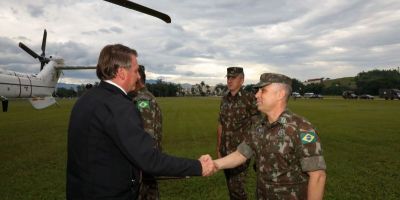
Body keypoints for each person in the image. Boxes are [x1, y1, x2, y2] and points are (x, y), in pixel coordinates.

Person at [67, 44, 215, 200]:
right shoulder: (120, 106)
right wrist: (198, 166)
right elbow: (149, 160)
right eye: (136, 70)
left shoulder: (85, 99)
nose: (138, 76)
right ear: (121, 72)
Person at [214, 73, 327, 200]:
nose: (257, 95)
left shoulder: (301, 128)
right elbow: (241, 154)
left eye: (263, 90)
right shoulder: (259, 126)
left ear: (280, 94)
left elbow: (317, 176)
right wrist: (214, 165)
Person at [216, 67, 258, 200]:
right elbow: (221, 124)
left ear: (242, 80)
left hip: (240, 152)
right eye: (228, 77)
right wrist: (218, 147)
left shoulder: (249, 98)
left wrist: (255, 149)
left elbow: (257, 125)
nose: (229, 80)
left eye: (233, 78)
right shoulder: (225, 99)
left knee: (236, 189)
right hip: (225, 150)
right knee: (231, 186)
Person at [129, 65, 163, 200]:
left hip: (144, 165)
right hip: (149, 163)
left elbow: (146, 136)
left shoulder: (142, 100)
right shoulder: (146, 97)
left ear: (138, 79)